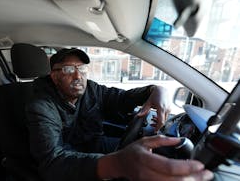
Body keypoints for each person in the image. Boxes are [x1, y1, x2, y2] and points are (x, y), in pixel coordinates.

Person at [25, 48, 213, 181]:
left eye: (82, 69)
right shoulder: (41, 106)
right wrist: (115, 164)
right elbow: (53, 162)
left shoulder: (91, 89)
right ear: (54, 76)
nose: (78, 76)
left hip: (94, 144)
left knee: (150, 153)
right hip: (69, 159)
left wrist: (155, 90)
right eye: (68, 70)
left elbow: (123, 98)